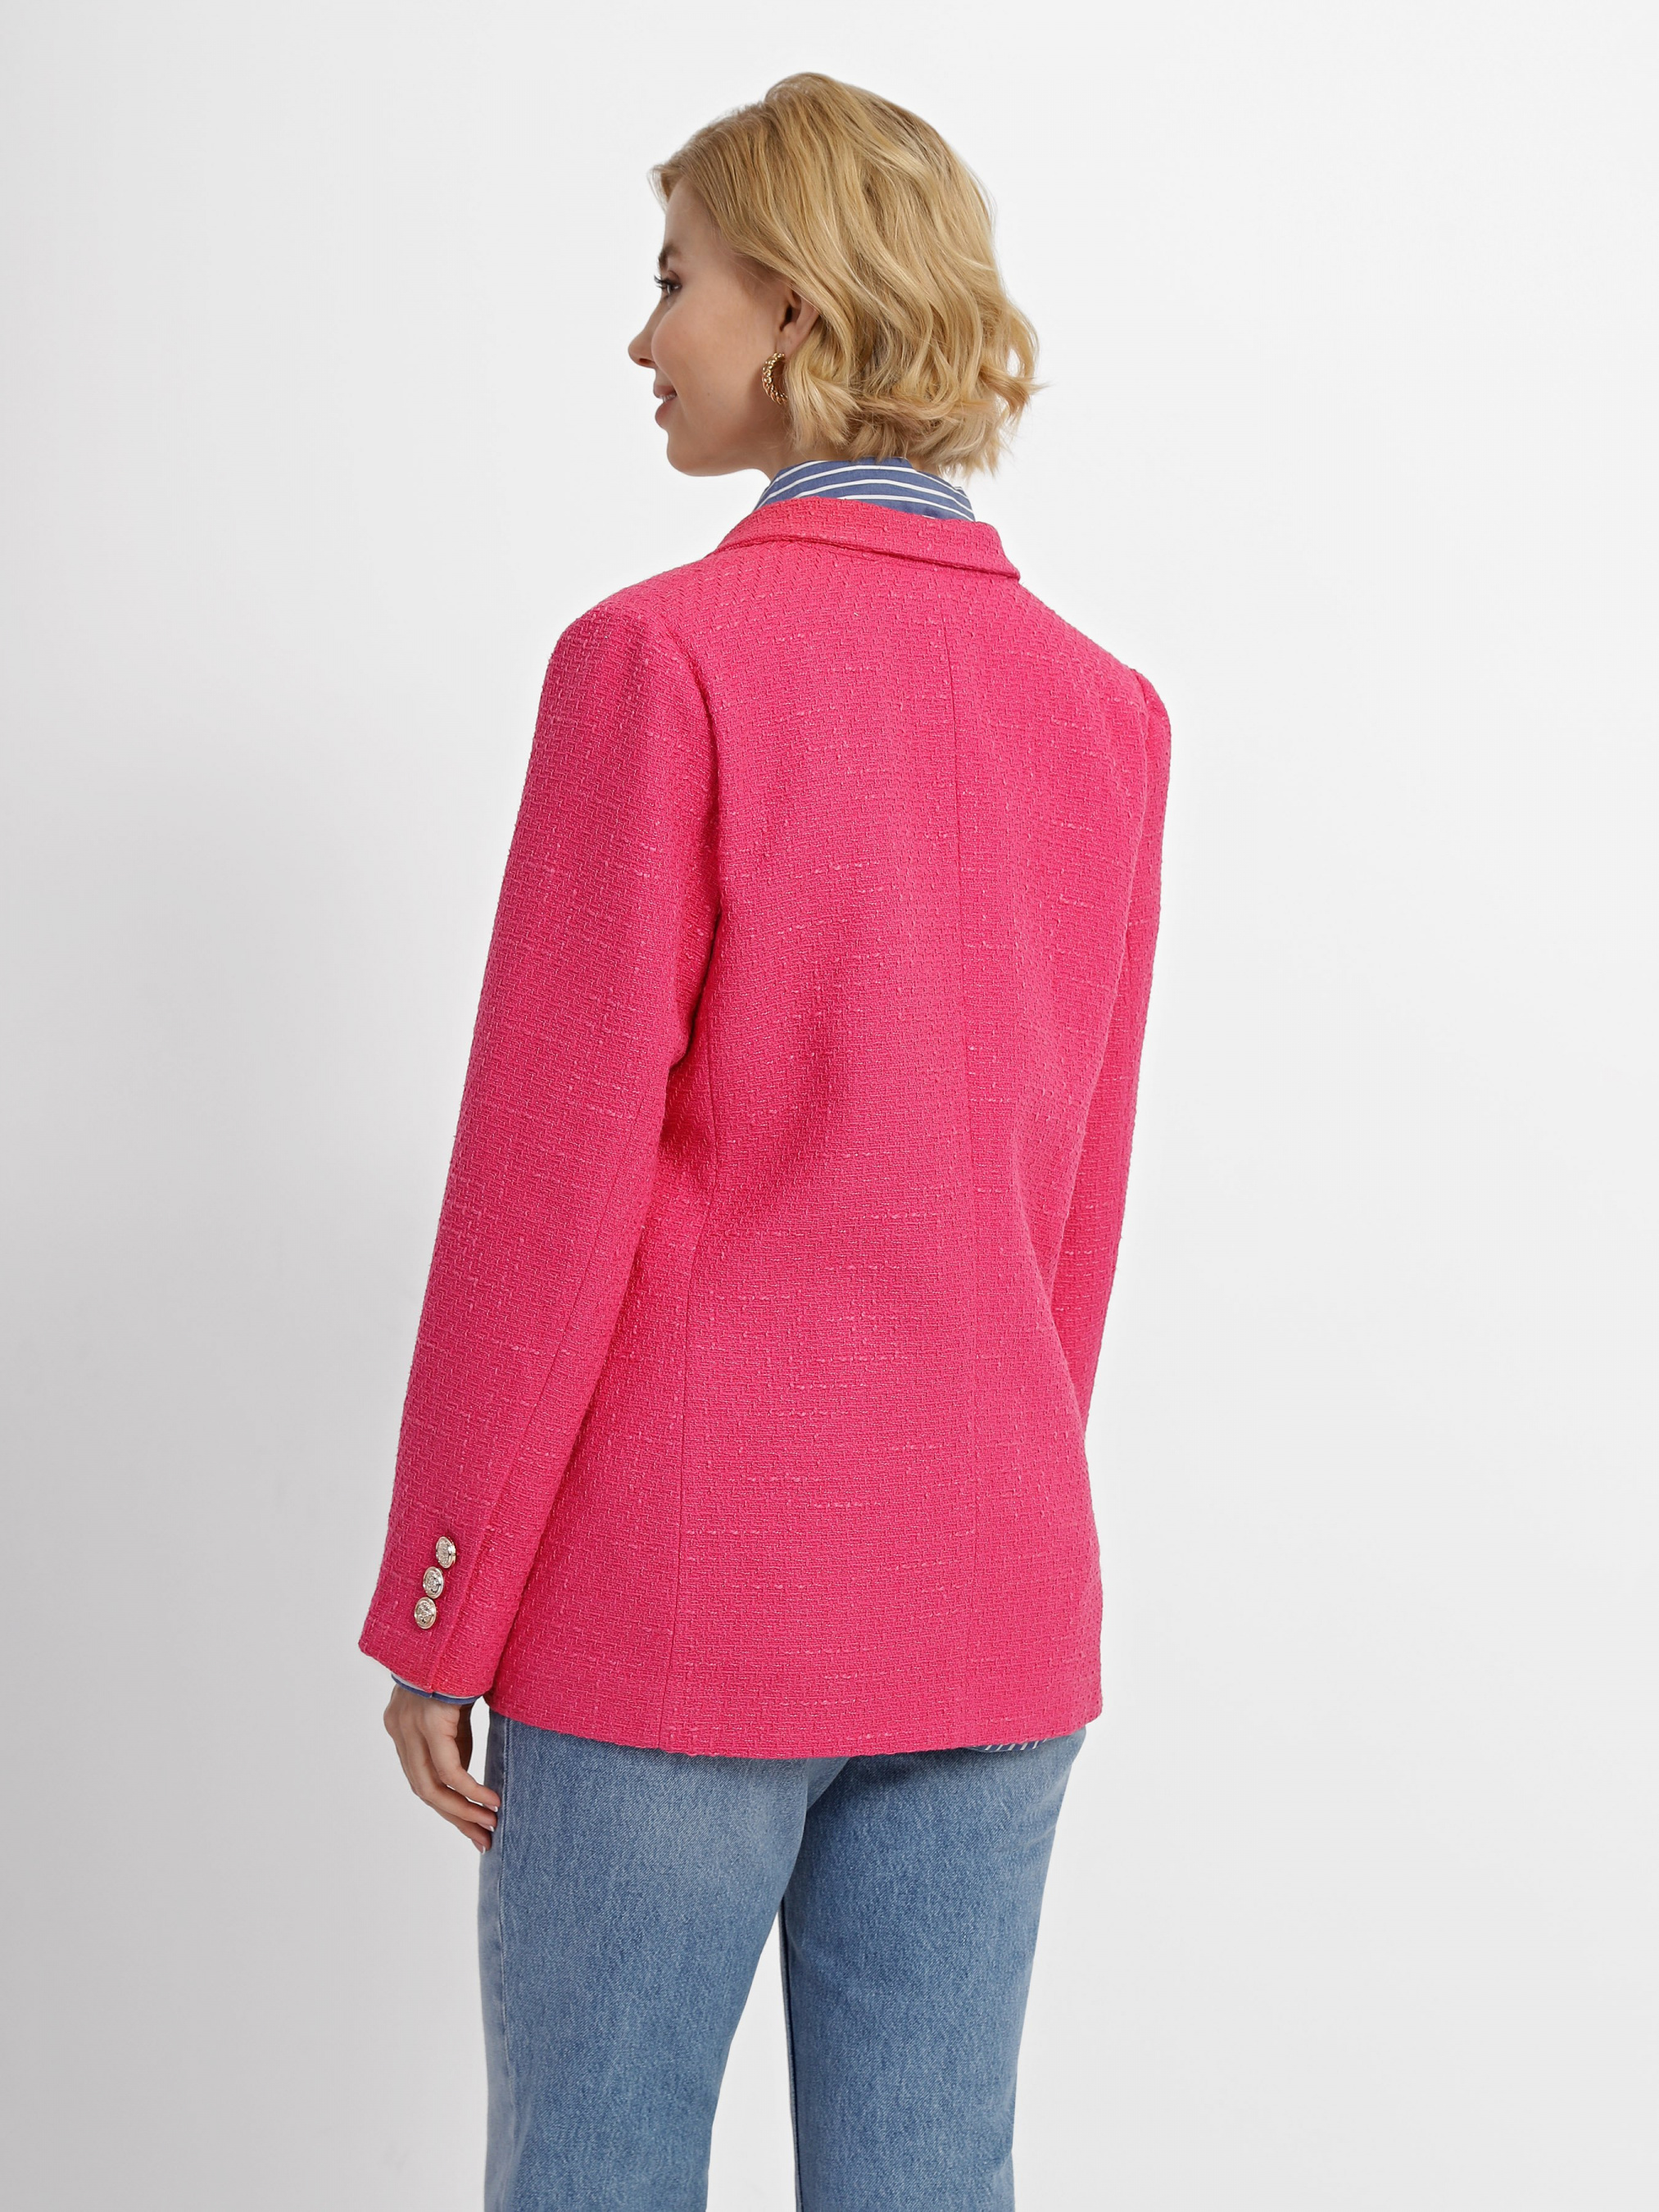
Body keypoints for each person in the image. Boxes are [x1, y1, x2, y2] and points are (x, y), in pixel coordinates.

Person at [360, 70, 1172, 2212]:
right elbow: (1067, 1211)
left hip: (680, 1599)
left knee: (596, 2167)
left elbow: (544, 1192)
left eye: (675, 282)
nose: (645, 338)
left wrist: (442, 1597)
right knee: (928, 2179)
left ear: (794, 309)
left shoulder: (658, 663)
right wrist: (988, 1497)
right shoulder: (1106, 710)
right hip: (995, 1588)